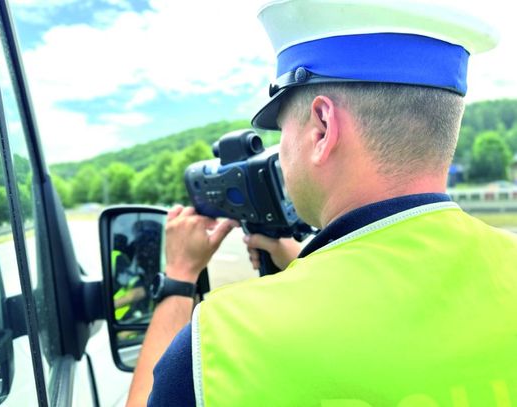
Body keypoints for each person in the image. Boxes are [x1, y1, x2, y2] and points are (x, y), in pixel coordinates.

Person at [127, 1, 517, 406]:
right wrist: (301, 261)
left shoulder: (222, 341)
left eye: (282, 130)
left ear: (322, 127)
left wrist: (178, 278)